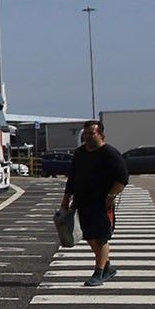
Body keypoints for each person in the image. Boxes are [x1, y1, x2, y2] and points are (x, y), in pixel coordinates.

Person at [62, 119, 129, 286]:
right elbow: (72, 177)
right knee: (90, 237)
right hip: (82, 202)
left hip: (101, 203)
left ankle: (99, 273)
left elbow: (122, 178)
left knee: (101, 238)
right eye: (85, 133)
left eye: (91, 133)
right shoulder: (80, 153)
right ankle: (107, 267)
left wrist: (110, 196)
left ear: (101, 134)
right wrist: (66, 199)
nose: (87, 136)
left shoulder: (110, 153)